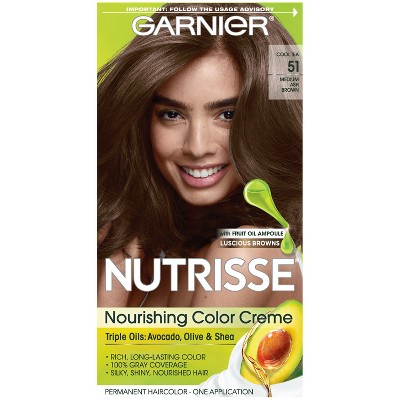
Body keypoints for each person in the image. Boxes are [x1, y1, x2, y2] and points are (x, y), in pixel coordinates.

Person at [97, 3, 303, 307]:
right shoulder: (140, 248)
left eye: (228, 114)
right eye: (172, 114)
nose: (196, 147)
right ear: (143, 122)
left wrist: (110, 292)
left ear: (269, 119)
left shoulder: (244, 253)